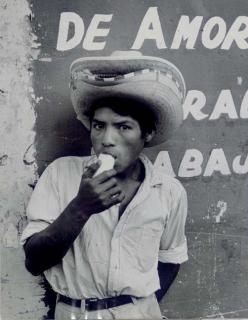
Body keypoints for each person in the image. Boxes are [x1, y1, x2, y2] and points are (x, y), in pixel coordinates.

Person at [21, 51, 188, 320]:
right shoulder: (61, 174)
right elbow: (34, 262)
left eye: (123, 127)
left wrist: (133, 307)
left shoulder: (168, 191)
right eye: (99, 126)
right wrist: (80, 208)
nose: (106, 140)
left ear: (147, 134)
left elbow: (169, 260)